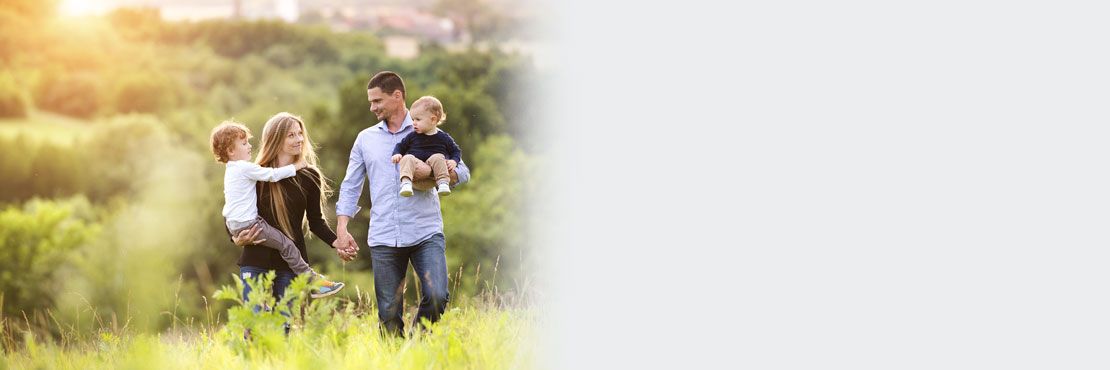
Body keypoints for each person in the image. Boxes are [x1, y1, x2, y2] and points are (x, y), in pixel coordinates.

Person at [334, 71, 471, 336]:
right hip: (384, 235)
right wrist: (342, 228)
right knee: (388, 312)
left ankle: (416, 347)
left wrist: (444, 173)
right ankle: (396, 360)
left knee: (437, 295)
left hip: (425, 231)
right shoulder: (366, 139)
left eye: (377, 101)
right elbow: (351, 184)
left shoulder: (432, 131)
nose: (372, 107)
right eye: (371, 102)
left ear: (397, 96)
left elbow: (463, 171)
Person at [228, 112, 350, 319]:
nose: (299, 139)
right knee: (253, 324)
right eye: (291, 135)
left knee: (283, 325)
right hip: (255, 259)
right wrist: (235, 237)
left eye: (300, 133)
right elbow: (233, 209)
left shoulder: (309, 176)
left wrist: (337, 242)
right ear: (276, 139)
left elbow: (316, 222)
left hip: (290, 264)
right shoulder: (256, 173)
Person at [391, 95, 462, 197]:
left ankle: (443, 183)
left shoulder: (443, 138)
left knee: (438, 157)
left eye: (418, 120)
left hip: (432, 178)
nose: (413, 123)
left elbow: (456, 151)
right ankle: (406, 183)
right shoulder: (412, 136)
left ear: (433, 120)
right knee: (407, 157)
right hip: (416, 174)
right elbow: (400, 146)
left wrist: (454, 161)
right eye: (412, 119)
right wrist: (397, 153)